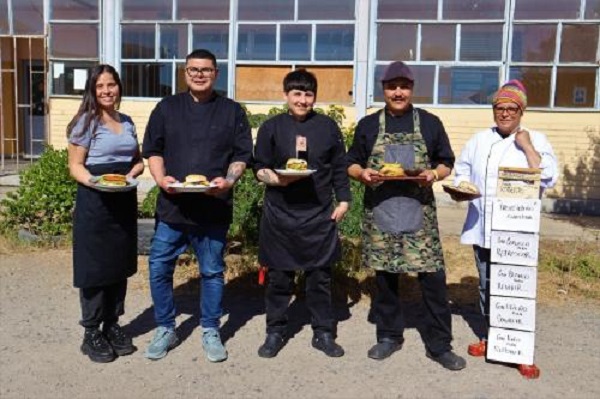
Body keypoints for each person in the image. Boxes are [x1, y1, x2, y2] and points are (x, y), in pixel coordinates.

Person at [346, 61, 466, 370]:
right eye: (391, 86)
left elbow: (446, 162)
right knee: (385, 279)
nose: (398, 92)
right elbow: (351, 163)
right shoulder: (369, 125)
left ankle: (439, 345)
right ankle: (389, 336)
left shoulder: (429, 122)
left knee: (433, 280)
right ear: (383, 89)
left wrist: (433, 174)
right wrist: (363, 174)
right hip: (381, 214)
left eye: (404, 86)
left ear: (412, 89)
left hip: (419, 214)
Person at [142, 49, 252, 362]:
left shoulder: (231, 111)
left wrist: (228, 182)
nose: (199, 74)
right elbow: (153, 149)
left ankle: (210, 329)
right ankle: (165, 326)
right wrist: (162, 180)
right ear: (185, 72)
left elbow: (242, 155)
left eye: (205, 70)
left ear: (216, 73)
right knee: (159, 267)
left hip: (213, 208)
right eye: (193, 69)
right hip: (173, 207)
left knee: (213, 271)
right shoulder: (167, 108)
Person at [451, 79, 558, 357]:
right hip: (483, 228)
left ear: (522, 111)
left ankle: (520, 349)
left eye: (512, 108)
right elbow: (461, 170)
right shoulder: (479, 139)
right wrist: (462, 188)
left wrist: (527, 146)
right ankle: (490, 338)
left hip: (516, 233)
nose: (505, 113)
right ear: (493, 110)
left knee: (516, 288)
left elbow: (548, 176)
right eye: (500, 107)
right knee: (487, 286)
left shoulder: (535, 140)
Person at [253, 69, 351, 358]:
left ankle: (323, 332)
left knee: (320, 278)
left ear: (314, 97)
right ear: (286, 95)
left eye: (308, 94)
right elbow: (259, 167)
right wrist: (277, 179)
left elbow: (339, 168)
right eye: (297, 93)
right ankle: (275, 331)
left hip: (318, 214)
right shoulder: (271, 127)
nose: (303, 100)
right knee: (279, 278)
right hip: (280, 213)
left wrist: (343, 201)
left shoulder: (328, 127)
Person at [67, 64, 144, 363]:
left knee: (119, 263)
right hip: (95, 199)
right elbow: (75, 166)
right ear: (92, 90)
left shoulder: (127, 122)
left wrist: (132, 174)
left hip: (123, 197)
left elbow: (137, 160)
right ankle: (91, 332)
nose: (106, 91)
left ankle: (112, 324)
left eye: (111, 85)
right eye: (100, 87)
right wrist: (97, 183)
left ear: (118, 88)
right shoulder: (85, 122)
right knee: (94, 265)